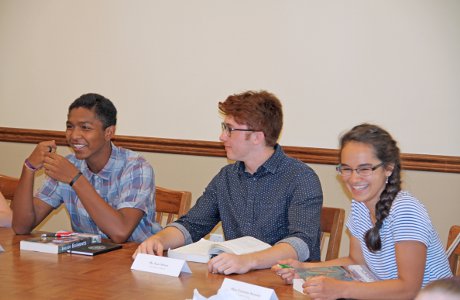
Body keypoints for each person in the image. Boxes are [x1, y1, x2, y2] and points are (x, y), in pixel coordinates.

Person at [134, 90, 323, 274]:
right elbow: (192, 224)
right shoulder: (227, 177)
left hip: (287, 282)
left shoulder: (301, 177)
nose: (222, 136)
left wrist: (248, 261)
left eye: (230, 129)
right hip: (237, 281)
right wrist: (158, 240)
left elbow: (301, 242)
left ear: (258, 136)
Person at [273, 123, 452, 299]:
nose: (354, 178)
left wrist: (341, 289)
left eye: (364, 169)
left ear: (388, 168)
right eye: (346, 169)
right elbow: (356, 261)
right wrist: (304, 268)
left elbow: (408, 289)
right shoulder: (359, 205)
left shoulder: (406, 210)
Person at [12, 93, 161, 243]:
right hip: (89, 261)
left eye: (85, 128)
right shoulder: (69, 165)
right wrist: (29, 167)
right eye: (70, 127)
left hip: (135, 259)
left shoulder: (136, 167)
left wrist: (75, 178)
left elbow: (120, 232)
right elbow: (21, 227)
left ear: (109, 132)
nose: (74, 135)